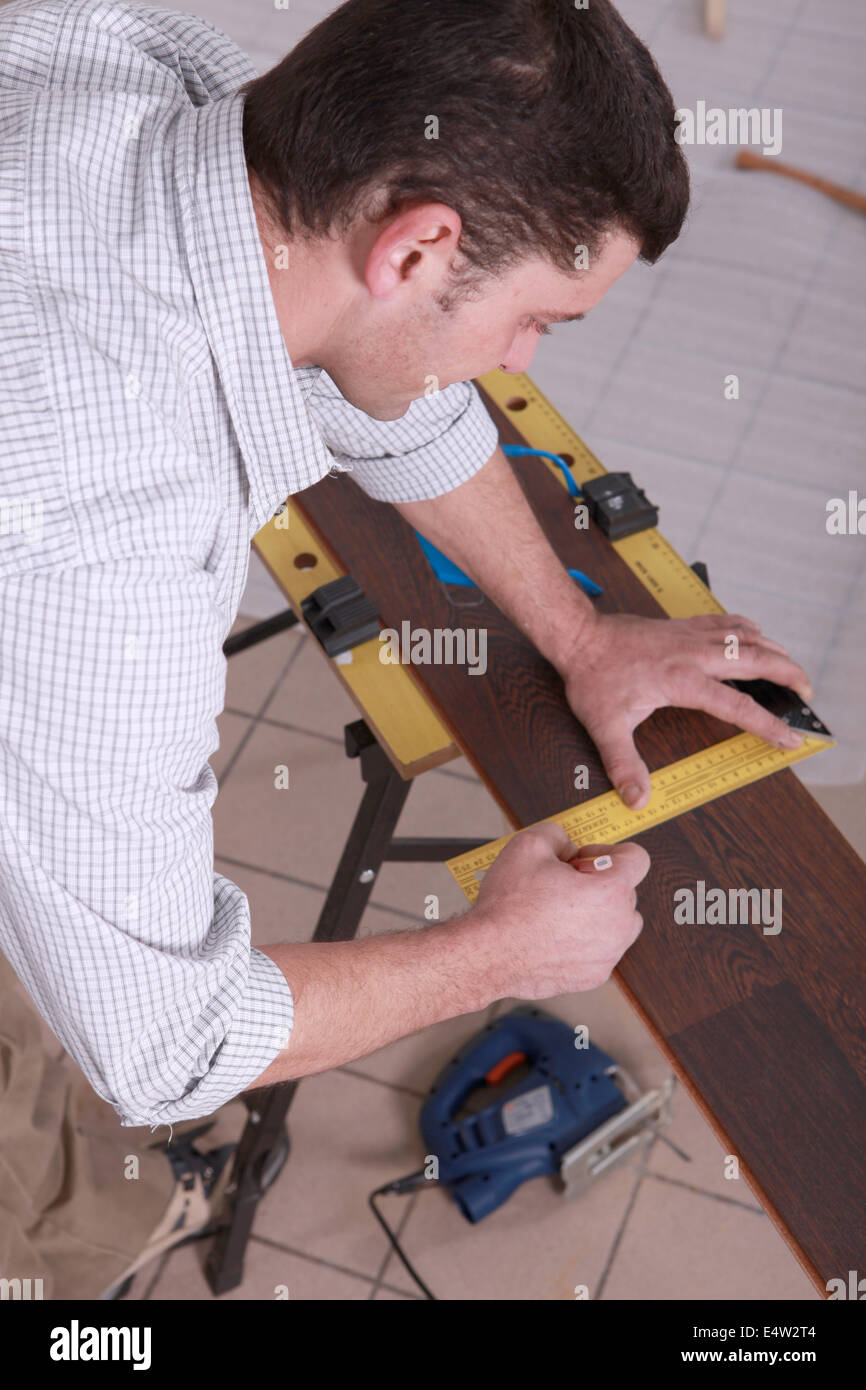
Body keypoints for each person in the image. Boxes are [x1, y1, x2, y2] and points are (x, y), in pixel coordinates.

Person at [0, 0, 812, 1294]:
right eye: (538, 319)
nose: (519, 360)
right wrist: (504, 954)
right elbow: (158, 1042)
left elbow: (378, 390)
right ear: (420, 243)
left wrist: (578, 631)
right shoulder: (105, 528)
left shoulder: (125, 74)